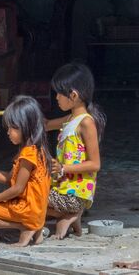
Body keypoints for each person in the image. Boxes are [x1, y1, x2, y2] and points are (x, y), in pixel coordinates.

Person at [0, 95, 51, 246]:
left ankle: (23, 227)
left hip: (26, 210)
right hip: (36, 211)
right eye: (8, 128)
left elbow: (17, 189)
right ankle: (34, 227)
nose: (8, 132)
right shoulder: (37, 150)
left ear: (27, 127)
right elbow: (9, 177)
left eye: (13, 128)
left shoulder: (28, 154)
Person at [46, 62, 106, 239]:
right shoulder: (71, 118)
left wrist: (63, 168)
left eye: (59, 93)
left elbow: (95, 164)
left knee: (31, 199)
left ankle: (69, 215)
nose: (56, 97)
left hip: (74, 194)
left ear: (73, 95)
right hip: (63, 187)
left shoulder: (86, 122)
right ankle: (70, 217)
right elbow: (46, 125)